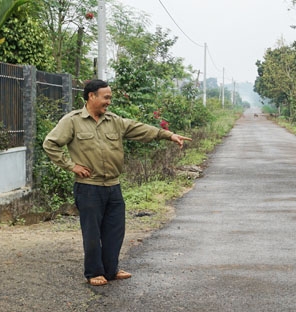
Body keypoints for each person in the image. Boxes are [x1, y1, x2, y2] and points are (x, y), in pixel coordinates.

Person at [43, 79, 192, 286]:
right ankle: (94, 272)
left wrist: (168, 135)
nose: (109, 102)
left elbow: (141, 129)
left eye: (110, 98)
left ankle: (111, 270)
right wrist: (71, 166)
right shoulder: (72, 121)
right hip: (89, 187)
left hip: (113, 185)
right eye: (106, 97)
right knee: (92, 232)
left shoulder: (114, 121)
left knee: (115, 230)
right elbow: (50, 144)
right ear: (91, 96)